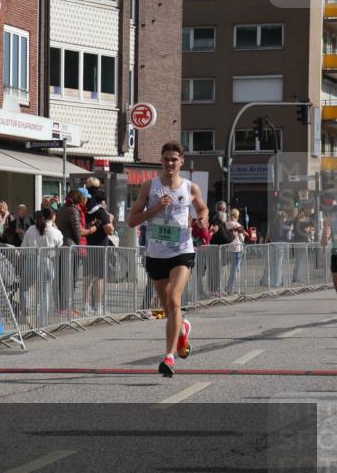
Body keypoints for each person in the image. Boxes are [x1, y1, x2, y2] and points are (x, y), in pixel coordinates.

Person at [128, 141, 209, 378]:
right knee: (167, 307)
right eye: (166, 158)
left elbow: (203, 209)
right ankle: (182, 327)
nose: (170, 163)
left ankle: (169, 357)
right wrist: (155, 209)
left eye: (174, 159)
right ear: (161, 161)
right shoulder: (149, 187)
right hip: (156, 253)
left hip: (182, 250)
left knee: (175, 299)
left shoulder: (190, 188)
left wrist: (202, 219)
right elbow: (132, 220)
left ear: (181, 161)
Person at [20, 208, 63, 326]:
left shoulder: (31, 229)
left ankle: (25, 314)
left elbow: (23, 248)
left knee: (24, 287)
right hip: (47, 262)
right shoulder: (55, 232)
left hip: (31, 260)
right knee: (45, 293)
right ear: (52, 216)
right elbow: (60, 244)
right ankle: (42, 322)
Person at [84, 189, 114, 315]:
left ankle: (86, 306)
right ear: (102, 201)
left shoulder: (85, 211)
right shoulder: (101, 212)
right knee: (99, 278)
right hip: (100, 247)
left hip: (88, 246)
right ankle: (98, 307)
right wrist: (110, 220)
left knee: (88, 277)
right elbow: (110, 231)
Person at [223, 208, 248, 294]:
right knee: (235, 269)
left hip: (229, 248)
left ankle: (231, 287)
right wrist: (244, 237)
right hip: (237, 248)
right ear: (237, 216)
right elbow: (241, 238)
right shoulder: (237, 225)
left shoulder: (226, 224)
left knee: (233, 268)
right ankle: (230, 288)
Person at [320, 211, 337, 296]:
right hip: (335, 254)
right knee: (335, 278)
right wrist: (325, 232)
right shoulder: (332, 225)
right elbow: (323, 243)